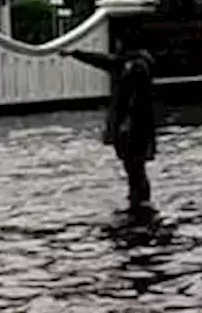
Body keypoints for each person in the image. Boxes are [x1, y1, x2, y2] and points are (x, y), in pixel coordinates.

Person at [61, 44, 157, 214]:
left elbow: (135, 99)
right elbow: (102, 60)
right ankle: (138, 199)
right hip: (135, 127)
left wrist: (127, 122)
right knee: (134, 166)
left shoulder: (134, 67)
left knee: (134, 166)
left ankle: (139, 200)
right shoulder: (132, 64)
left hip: (133, 128)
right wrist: (75, 54)